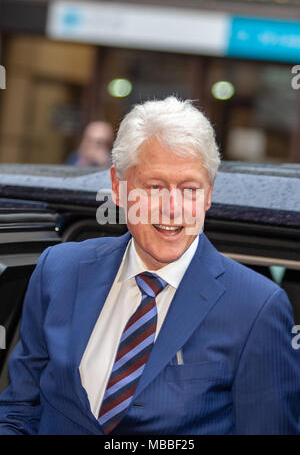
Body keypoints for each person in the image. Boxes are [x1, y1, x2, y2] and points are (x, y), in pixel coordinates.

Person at [0, 97, 299, 435]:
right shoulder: (60, 270)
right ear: (117, 186)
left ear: (209, 194)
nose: (173, 209)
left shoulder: (256, 309)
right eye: (155, 187)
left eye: (189, 189)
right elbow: (20, 409)